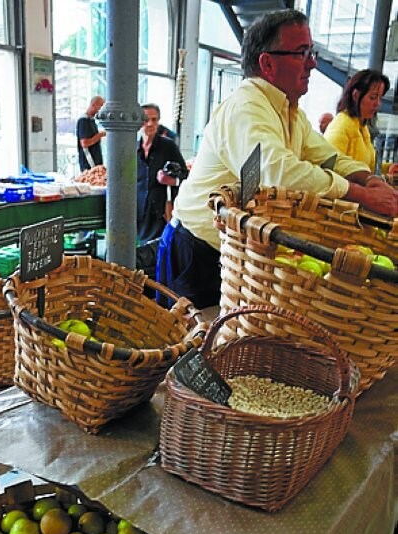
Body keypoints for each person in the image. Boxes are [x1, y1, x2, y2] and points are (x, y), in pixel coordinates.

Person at [156, 9, 398, 309]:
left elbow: (329, 159)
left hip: (237, 250)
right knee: (191, 345)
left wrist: (371, 181)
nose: (312, 63)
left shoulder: (290, 113)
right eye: (302, 53)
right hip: (197, 250)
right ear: (267, 63)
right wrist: (361, 195)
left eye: (311, 52)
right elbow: (275, 173)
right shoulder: (247, 106)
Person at [137, 103, 188, 244]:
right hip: (139, 214)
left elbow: (186, 176)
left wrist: (171, 181)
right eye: (146, 120)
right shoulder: (132, 149)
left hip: (161, 214)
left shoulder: (168, 146)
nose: (150, 124)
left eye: (154, 120)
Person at [324, 69, 390, 172]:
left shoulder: (362, 126)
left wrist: (389, 168)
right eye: (373, 97)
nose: (378, 103)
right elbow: (329, 168)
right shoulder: (342, 126)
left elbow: (369, 166)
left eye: (380, 98)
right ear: (355, 95)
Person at [76, 96, 106, 172]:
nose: (101, 109)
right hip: (89, 163)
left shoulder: (91, 120)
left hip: (95, 162)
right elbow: (85, 143)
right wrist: (100, 135)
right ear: (94, 105)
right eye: (101, 106)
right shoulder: (84, 120)